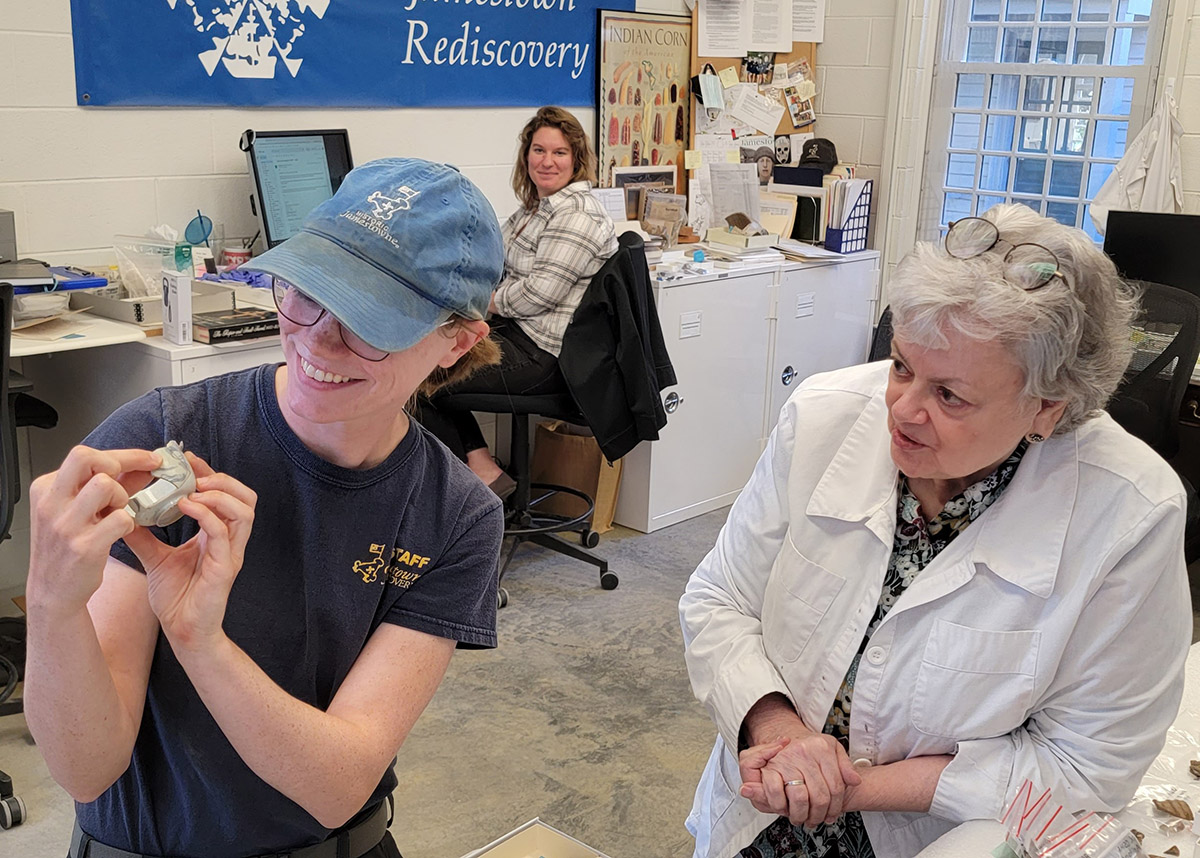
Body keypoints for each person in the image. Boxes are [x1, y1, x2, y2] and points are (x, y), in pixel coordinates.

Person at [23, 158, 507, 858]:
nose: (317, 337)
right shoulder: (162, 440)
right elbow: (85, 768)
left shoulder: (451, 515)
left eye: (368, 321)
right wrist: (52, 603)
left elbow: (338, 784)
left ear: (454, 340)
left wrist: (201, 640)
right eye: (306, 291)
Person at [679, 204, 1191, 858]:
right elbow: (717, 599)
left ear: (1046, 407)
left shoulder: (1130, 513)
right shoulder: (825, 416)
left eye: (950, 395)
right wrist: (778, 728)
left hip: (939, 838)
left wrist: (854, 786)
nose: (903, 409)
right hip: (761, 803)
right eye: (900, 365)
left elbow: (1088, 770)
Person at [414, 106, 618, 498]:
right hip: (518, 337)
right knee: (424, 359)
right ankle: (482, 469)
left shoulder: (577, 216)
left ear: (576, 159)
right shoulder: (536, 209)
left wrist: (478, 299)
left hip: (546, 357)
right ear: (526, 156)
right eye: (538, 150)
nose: (547, 161)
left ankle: (477, 484)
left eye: (559, 153)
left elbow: (538, 294)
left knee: (420, 379)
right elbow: (493, 257)